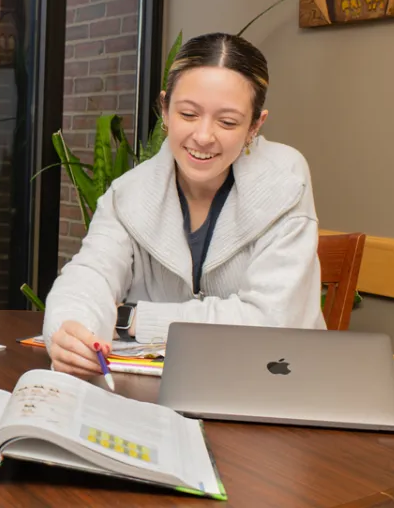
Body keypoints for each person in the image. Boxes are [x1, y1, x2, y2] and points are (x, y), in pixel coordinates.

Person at [43, 32, 326, 377]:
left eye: (227, 122)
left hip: (269, 390)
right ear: (165, 109)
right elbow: (90, 275)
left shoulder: (285, 180)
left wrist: (131, 319)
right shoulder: (128, 193)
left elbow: (268, 322)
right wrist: (73, 329)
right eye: (189, 114)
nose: (203, 136)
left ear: (255, 125)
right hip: (157, 395)